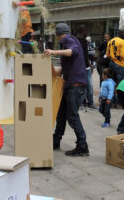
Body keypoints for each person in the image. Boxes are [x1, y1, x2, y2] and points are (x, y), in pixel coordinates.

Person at [44, 23, 89, 157]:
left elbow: (73, 51)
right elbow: (64, 68)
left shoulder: (68, 40)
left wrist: (53, 52)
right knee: (61, 113)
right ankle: (56, 141)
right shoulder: (67, 42)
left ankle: (82, 146)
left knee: (72, 116)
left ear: (58, 35)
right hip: (69, 83)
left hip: (75, 84)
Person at [77, 25, 94, 109]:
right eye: (86, 31)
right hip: (81, 68)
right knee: (81, 86)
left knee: (90, 86)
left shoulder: (84, 41)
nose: (87, 33)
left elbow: (86, 55)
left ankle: (91, 103)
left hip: (87, 68)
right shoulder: (77, 41)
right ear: (83, 31)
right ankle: (80, 104)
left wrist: (90, 65)